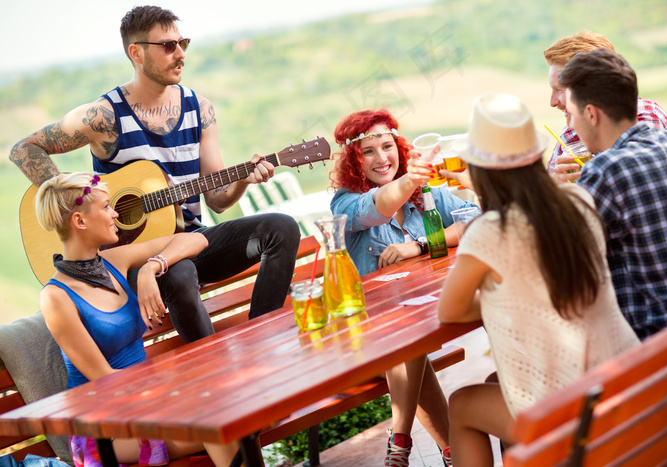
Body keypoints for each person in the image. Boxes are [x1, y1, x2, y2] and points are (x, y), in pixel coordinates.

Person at [8, 5, 300, 343]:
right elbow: (24, 149)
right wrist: (73, 204)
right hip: (132, 260)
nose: (180, 54)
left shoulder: (199, 109)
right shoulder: (104, 116)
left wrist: (243, 181)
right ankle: (213, 372)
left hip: (190, 242)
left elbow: (218, 202)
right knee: (178, 274)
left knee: (281, 227)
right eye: (168, 46)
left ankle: (265, 338)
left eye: (183, 43)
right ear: (137, 53)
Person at [437, 92, 640, 467]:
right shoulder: (579, 200)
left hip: (575, 414)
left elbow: (450, 311)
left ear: (479, 169)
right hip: (626, 383)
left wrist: (498, 297)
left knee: (462, 405)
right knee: (495, 384)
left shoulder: (488, 233)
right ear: (536, 157)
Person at [34, 172, 239, 467]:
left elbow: (194, 239)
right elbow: (105, 380)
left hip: (147, 403)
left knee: (240, 413)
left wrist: (150, 267)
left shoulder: (115, 262)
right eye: (106, 207)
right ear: (80, 221)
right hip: (106, 428)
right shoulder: (56, 297)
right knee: (225, 422)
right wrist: (173, 389)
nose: (115, 213)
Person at [329, 109, 479, 466]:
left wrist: (421, 245)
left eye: (387, 146)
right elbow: (378, 207)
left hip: (407, 326)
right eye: (368, 151)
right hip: (362, 333)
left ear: (398, 147)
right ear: (354, 160)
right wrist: (409, 180)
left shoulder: (422, 194)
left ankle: (434, 451)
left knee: (409, 339)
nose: (382, 158)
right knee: (407, 339)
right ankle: (405, 441)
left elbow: (473, 218)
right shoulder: (346, 202)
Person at [559, 48, 667, 339]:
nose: (570, 125)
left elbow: (563, 265)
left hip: (659, 349)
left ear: (591, 114)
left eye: (570, 114)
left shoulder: (606, 171)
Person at [543, 31, 667, 182]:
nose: (552, 102)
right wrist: (555, 181)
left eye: (560, 90)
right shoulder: (570, 136)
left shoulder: (645, 118)